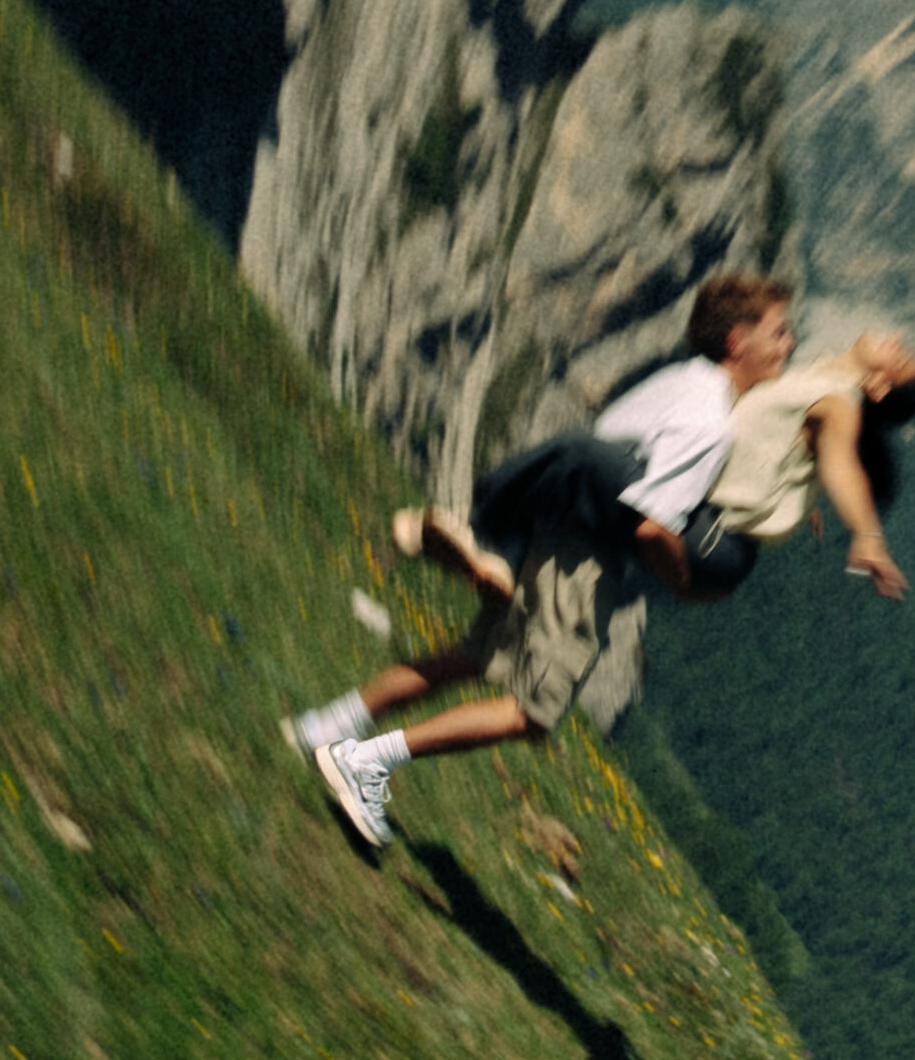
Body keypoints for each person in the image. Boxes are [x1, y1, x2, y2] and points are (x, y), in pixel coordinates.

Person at [283, 272, 794, 849]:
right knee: (532, 710)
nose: (788, 344)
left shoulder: (683, 381)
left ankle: (328, 722)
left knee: (480, 655)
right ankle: (366, 761)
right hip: (587, 552)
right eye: (777, 332)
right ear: (736, 342)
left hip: (555, 511)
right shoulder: (712, 425)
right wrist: (684, 579)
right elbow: (652, 525)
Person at [695, 329, 915, 601]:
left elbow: (841, 464)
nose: (895, 341)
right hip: (705, 513)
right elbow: (806, 446)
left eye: (899, 358)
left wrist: (868, 535)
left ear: (877, 387)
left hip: (707, 528)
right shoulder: (823, 375)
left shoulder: (840, 403)